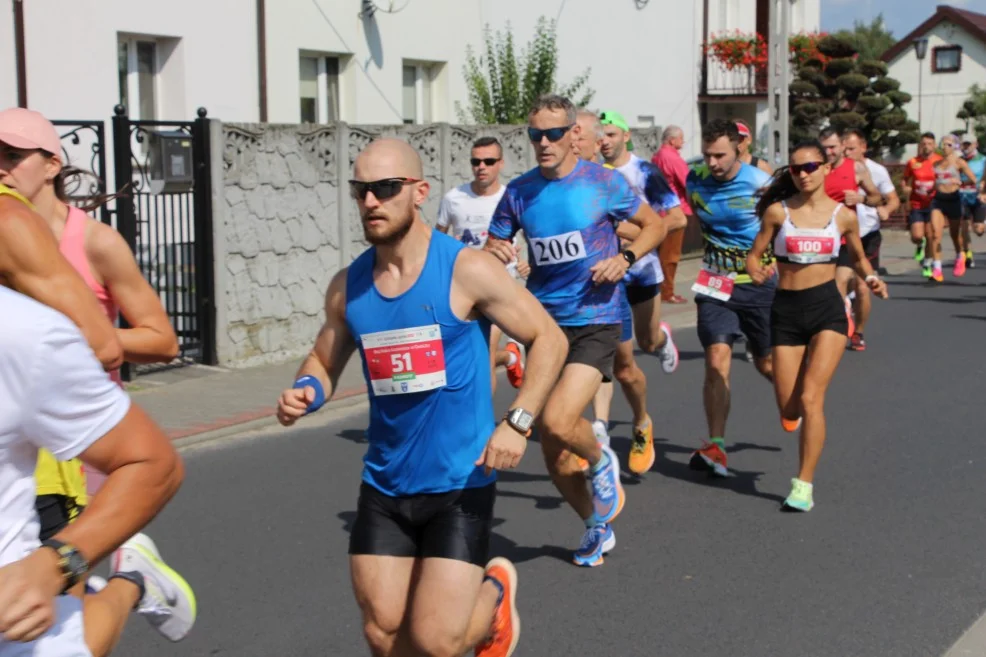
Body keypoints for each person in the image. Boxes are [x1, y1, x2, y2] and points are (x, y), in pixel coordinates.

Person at [276, 137, 568, 657]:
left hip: (460, 481)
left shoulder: (467, 270)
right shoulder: (348, 287)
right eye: (360, 190)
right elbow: (324, 360)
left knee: (434, 642)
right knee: (384, 633)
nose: (370, 202)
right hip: (385, 484)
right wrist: (305, 391)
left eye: (385, 189)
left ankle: (494, 598)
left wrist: (517, 422)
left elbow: (549, 338)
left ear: (419, 192)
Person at [486, 94, 666, 567]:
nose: (543, 143)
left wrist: (624, 259)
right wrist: (497, 250)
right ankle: (594, 525)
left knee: (557, 421)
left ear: (572, 135)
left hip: (595, 320)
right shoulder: (519, 192)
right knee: (555, 455)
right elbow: (495, 239)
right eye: (534, 135)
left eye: (551, 134)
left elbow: (655, 226)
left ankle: (603, 459)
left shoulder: (603, 184)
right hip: (544, 329)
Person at [0, 106, 179, 538]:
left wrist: (64, 340)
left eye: (12, 156)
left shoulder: (96, 242)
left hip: (88, 429)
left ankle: (134, 581)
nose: (0, 168)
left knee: (68, 573)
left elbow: (163, 341)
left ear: (51, 165)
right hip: (19, 430)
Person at [0, 286, 195, 656]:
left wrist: (54, 565)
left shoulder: (21, 326)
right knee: (67, 613)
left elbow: (150, 345)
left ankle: (130, 583)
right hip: (42, 440)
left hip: (69, 445)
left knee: (65, 611)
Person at [746, 140, 888, 511]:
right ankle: (795, 407)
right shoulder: (778, 213)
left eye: (811, 167)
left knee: (812, 398)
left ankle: (803, 483)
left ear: (826, 168)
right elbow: (754, 253)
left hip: (827, 309)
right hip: (787, 312)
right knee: (790, 408)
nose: (804, 174)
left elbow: (858, 256)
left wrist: (872, 279)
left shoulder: (843, 216)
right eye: (796, 168)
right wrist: (755, 269)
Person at [592, 109, 683, 473]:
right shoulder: (592, 175)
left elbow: (676, 219)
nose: (605, 141)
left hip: (642, 272)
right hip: (606, 279)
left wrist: (631, 233)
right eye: (601, 136)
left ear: (626, 136)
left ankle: (661, 339)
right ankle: (613, 427)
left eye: (611, 134)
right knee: (616, 361)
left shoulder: (644, 172)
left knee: (646, 343)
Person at [684, 118, 775, 478]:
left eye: (720, 155)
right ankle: (716, 445)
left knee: (767, 365)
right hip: (714, 283)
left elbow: (783, 223)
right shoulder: (696, 179)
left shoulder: (760, 183)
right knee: (716, 360)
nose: (714, 163)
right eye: (708, 155)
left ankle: (795, 398)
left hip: (759, 285)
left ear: (739, 148)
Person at [436, 135, 527, 391]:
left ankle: (485, 427)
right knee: (467, 356)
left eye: (488, 161)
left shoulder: (512, 197)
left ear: (501, 163)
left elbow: (529, 236)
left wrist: (526, 263)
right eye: (476, 161)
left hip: (501, 284)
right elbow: (436, 240)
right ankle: (510, 357)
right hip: (464, 287)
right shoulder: (454, 198)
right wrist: (448, 249)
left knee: (484, 353)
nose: (481, 167)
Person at [817, 127, 881, 336]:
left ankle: (849, 326)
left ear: (842, 146)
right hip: (819, 240)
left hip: (845, 239)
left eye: (833, 147)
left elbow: (877, 198)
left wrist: (860, 199)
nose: (829, 153)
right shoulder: (815, 169)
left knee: (841, 281)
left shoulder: (857, 168)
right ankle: (835, 316)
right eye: (824, 148)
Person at [840, 129, 899, 351]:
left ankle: (858, 332)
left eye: (852, 149)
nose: (847, 153)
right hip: (843, 237)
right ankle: (841, 315)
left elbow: (891, 199)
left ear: (863, 147)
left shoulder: (877, 170)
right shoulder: (833, 170)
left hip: (868, 235)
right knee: (840, 283)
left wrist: (885, 209)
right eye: (844, 149)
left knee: (863, 286)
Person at [651, 125, 691, 303]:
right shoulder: (672, 157)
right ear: (672, 139)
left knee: (661, 254)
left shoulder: (657, 156)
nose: (683, 141)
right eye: (681, 138)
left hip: (659, 210)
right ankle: (667, 292)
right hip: (675, 210)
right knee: (671, 255)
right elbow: (688, 181)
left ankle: (661, 290)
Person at [930, 134, 977, 280]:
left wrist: (961, 182)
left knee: (954, 235)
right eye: (943, 144)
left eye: (948, 145)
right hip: (938, 200)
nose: (944, 147)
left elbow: (973, 179)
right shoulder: (936, 164)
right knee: (935, 234)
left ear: (955, 147)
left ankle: (960, 255)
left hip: (953, 200)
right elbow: (933, 181)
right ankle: (937, 269)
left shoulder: (959, 162)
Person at [902, 133, 943, 277]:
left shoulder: (940, 161)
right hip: (917, 203)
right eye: (924, 143)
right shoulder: (913, 162)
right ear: (920, 145)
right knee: (918, 236)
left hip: (933, 203)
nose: (926, 146)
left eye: (929, 143)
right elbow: (905, 179)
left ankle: (927, 263)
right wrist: (905, 188)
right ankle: (919, 245)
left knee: (931, 235)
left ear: (934, 145)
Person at [960, 134, 986, 258]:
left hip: (978, 197)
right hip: (962, 196)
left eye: (968, 144)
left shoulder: (982, 159)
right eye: (964, 144)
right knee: (964, 226)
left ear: (976, 145)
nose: (966, 147)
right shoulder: (958, 160)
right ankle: (968, 254)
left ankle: (983, 224)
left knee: (979, 230)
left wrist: (983, 188)